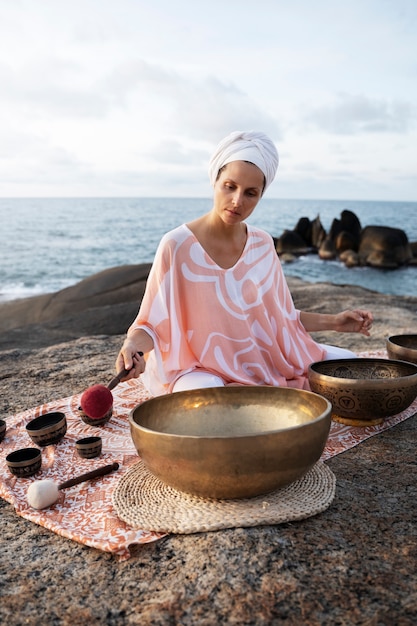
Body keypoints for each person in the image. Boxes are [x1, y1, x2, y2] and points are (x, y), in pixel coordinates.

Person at [116, 130, 373, 396]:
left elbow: (281, 319)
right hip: (201, 370)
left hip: (264, 361)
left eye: (251, 193)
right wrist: (132, 347)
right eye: (230, 186)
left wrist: (337, 322)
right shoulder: (177, 245)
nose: (237, 201)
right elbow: (151, 324)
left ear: (261, 195)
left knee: (349, 367)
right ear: (215, 181)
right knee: (203, 401)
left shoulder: (262, 244)